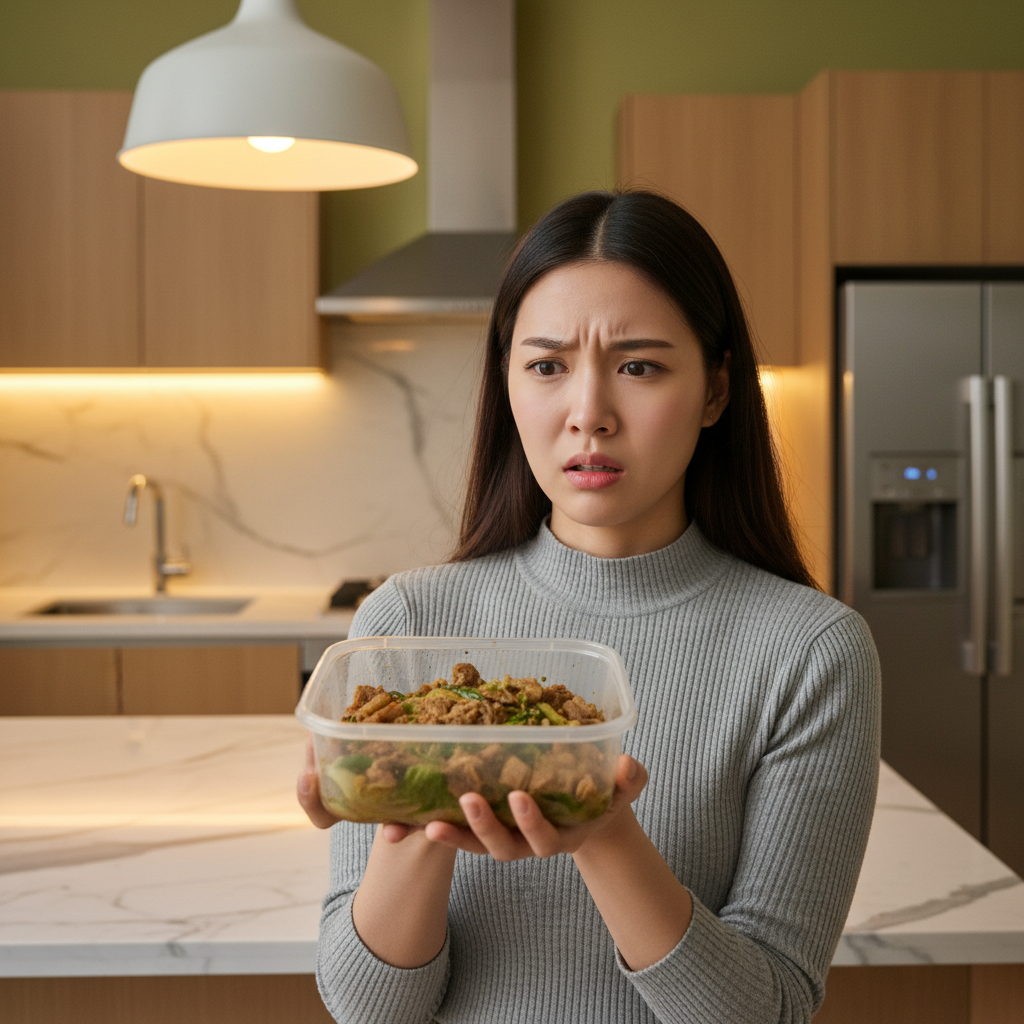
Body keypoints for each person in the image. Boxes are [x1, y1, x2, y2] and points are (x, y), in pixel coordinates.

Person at [297, 189, 881, 1024]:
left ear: (716, 392)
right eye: (546, 366)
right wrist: (410, 804)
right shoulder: (405, 626)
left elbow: (767, 1009)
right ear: (508, 387)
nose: (588, 415)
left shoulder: (809, 650)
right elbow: (368, 1008)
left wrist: (601, 827)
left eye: (639, 366)